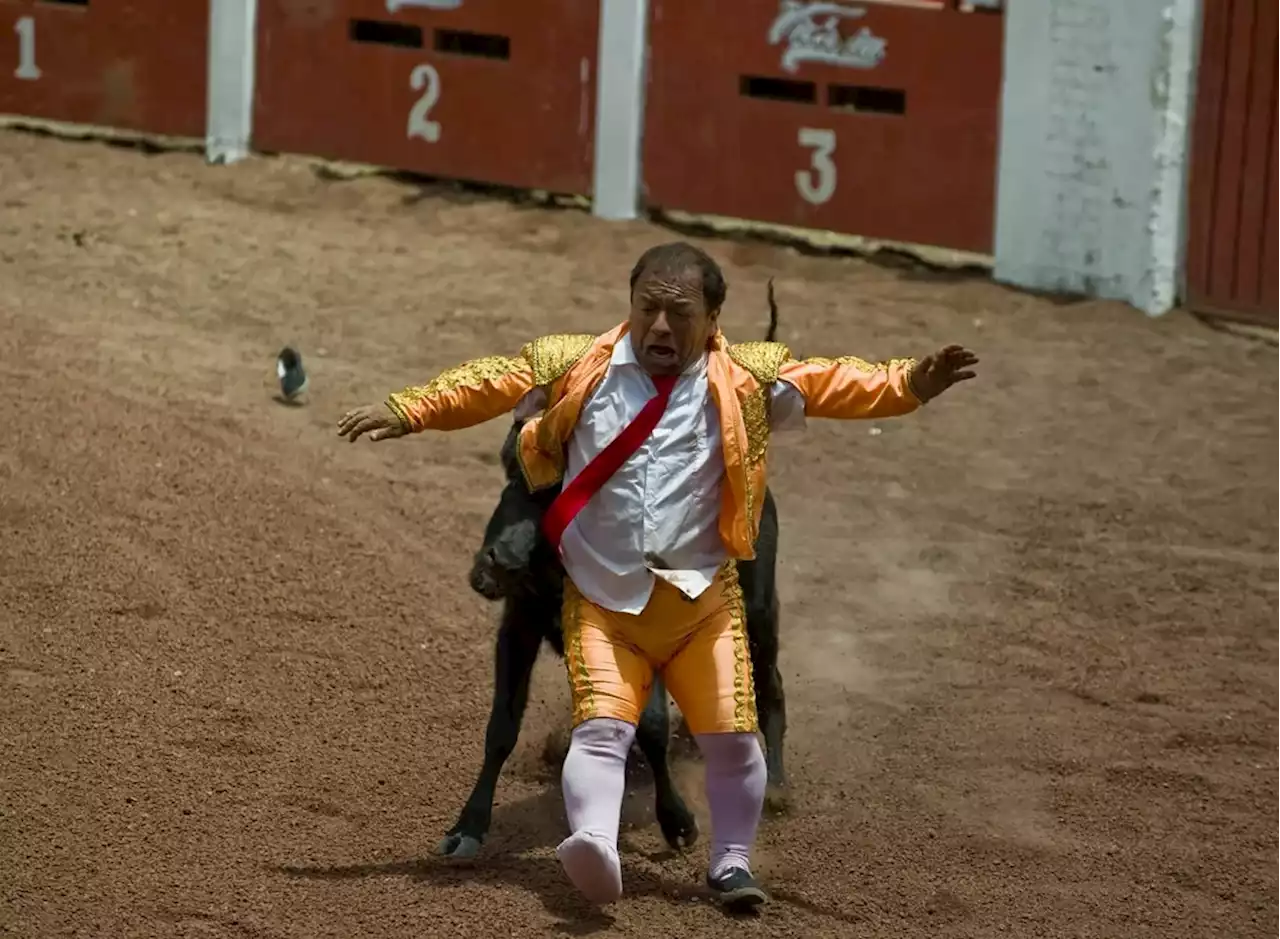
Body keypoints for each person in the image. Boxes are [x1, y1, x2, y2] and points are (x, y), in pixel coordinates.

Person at [337, 242, 978, 910]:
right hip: (603, 600)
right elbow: (490, 380)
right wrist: (410, 408)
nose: (660, 328)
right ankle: (593, 840)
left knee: (731, 739)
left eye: (679, 313)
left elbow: (835, 383)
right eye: (648, 309)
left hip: (703, 603)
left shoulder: (747, 378)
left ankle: (731, 863)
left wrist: (911, 383)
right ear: (631, 305)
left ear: (714, 316)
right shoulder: (575, 365)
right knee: (602, 731)